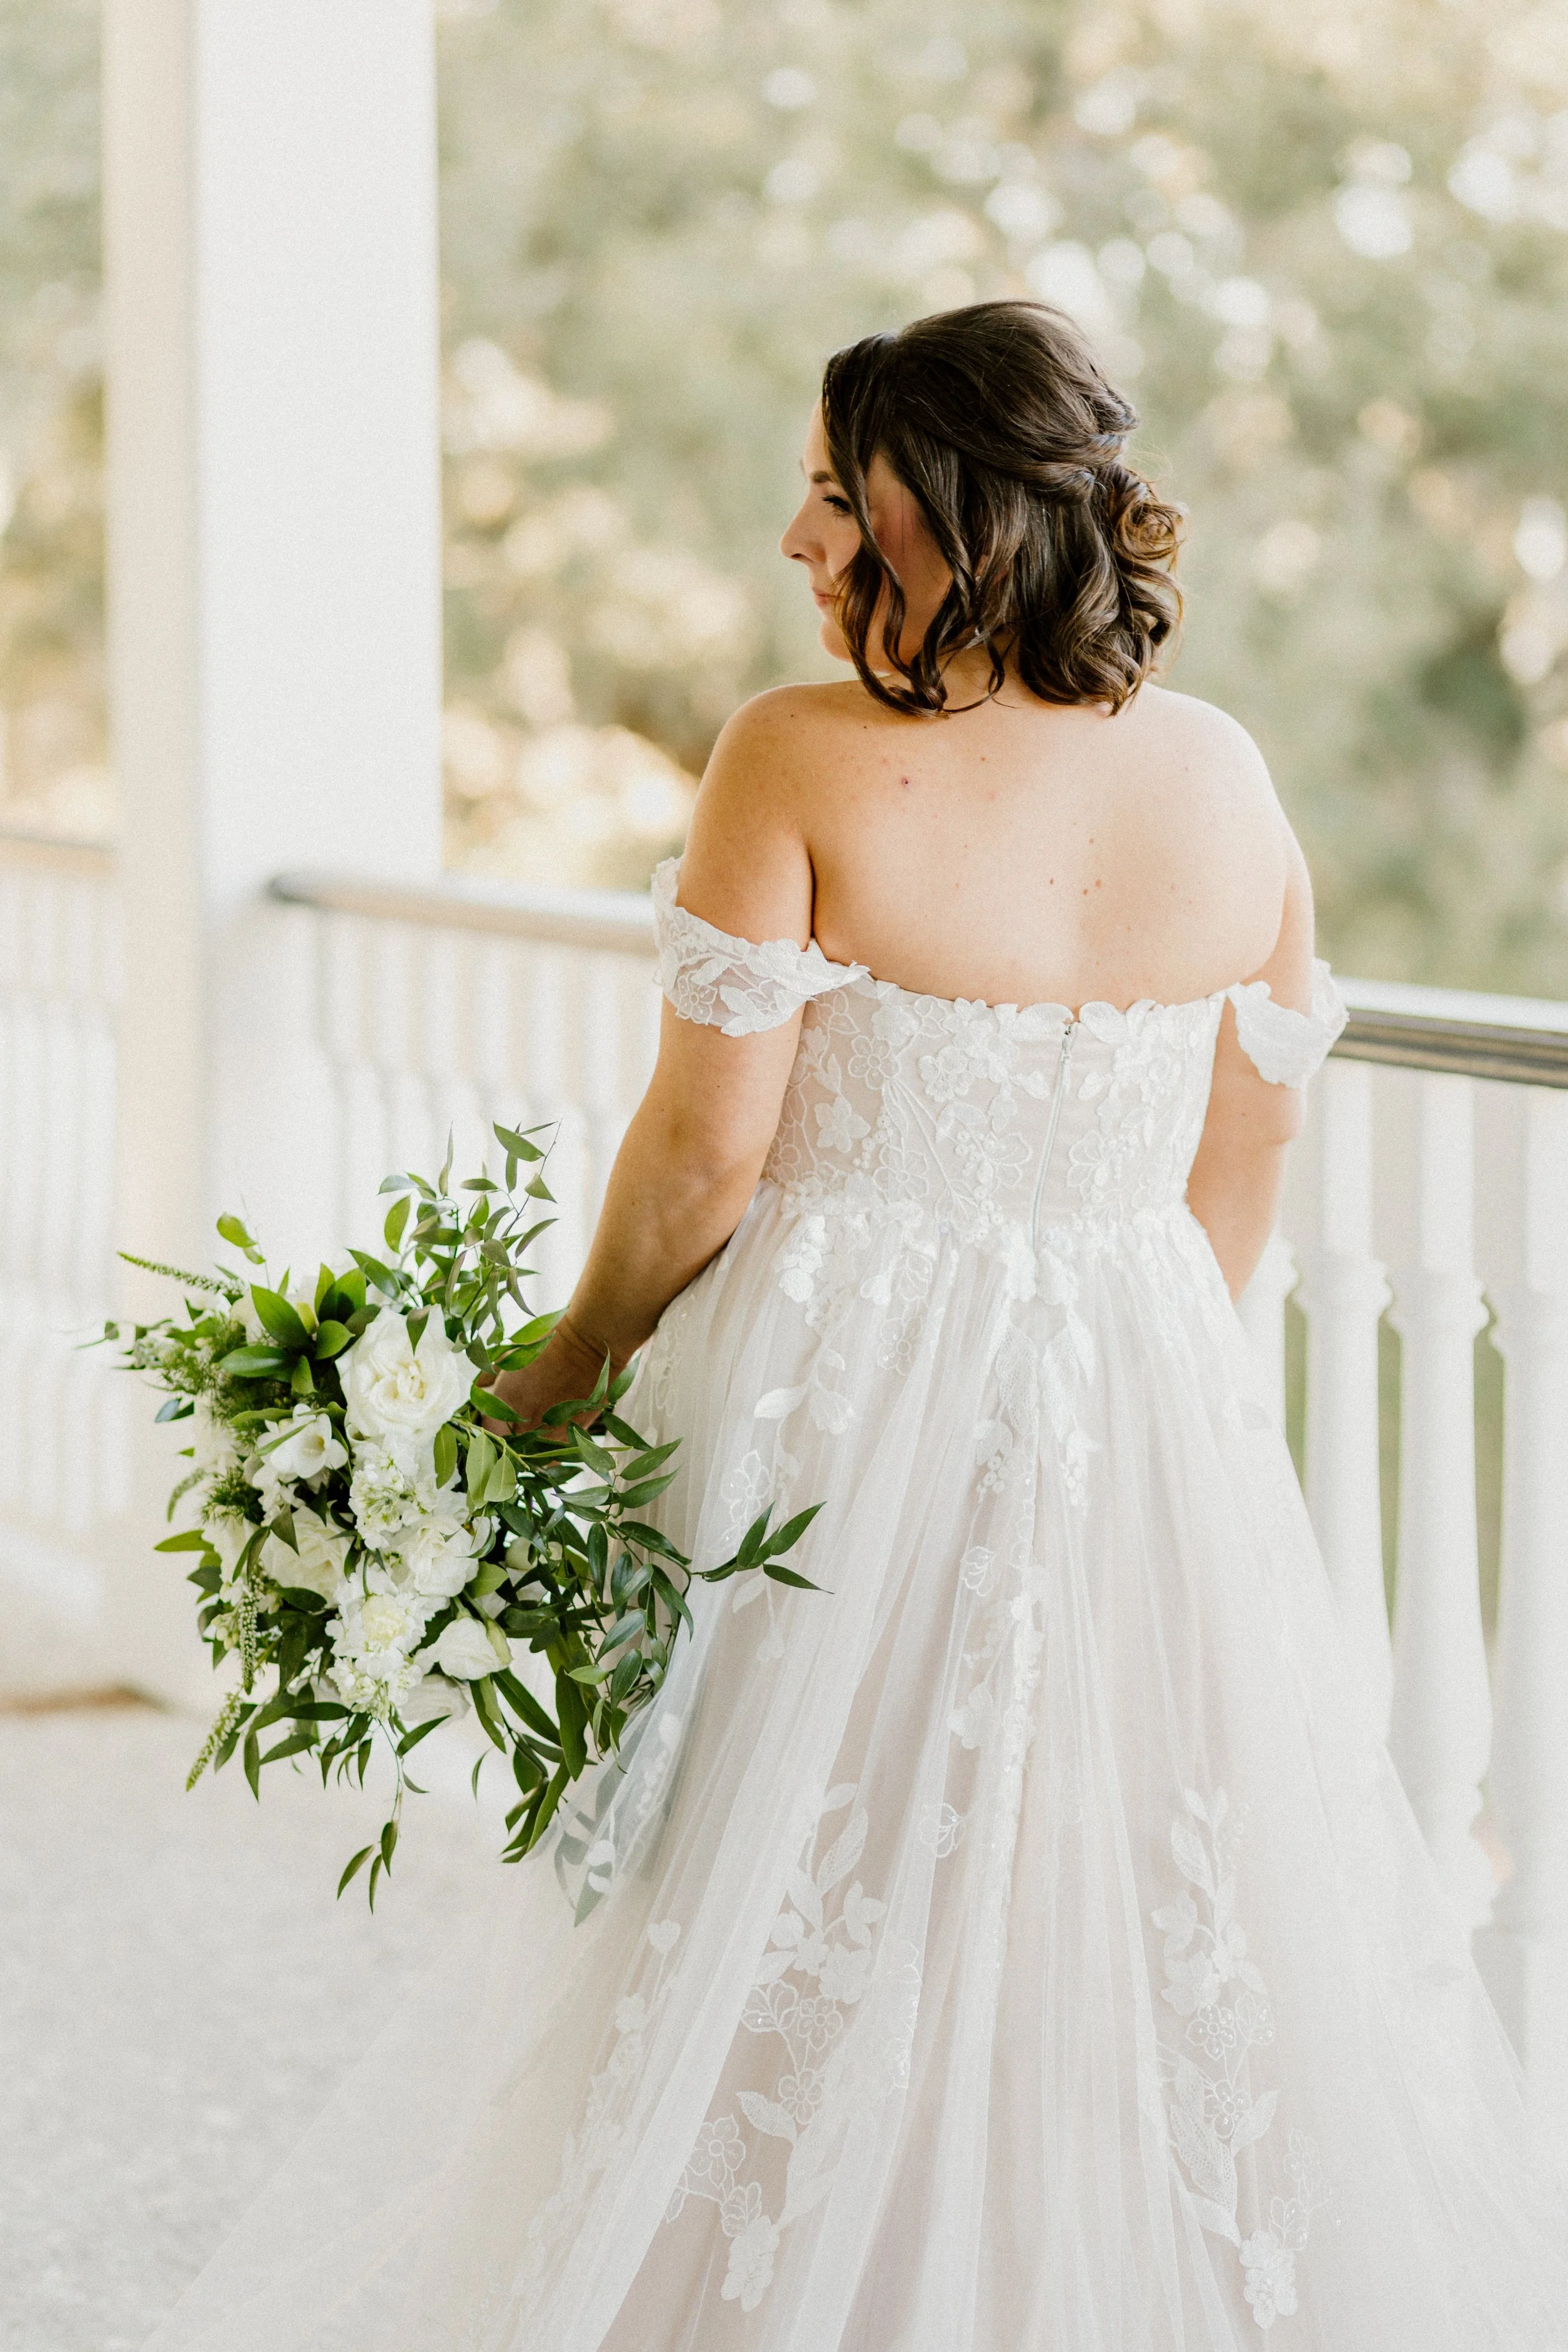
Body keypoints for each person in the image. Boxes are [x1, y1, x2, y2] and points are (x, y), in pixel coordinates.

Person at [145, 303, 1568, 2351]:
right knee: (1099, 1908)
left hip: (840, 1397)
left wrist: (556, 1381)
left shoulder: (791, 756)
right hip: (1137, 1386)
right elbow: (1241, 1145)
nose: (798, 541)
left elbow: (703, 1157)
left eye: (834, 493)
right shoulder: (1223, 774)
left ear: (959, 520)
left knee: (781, 1884)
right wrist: (1130, 1398)